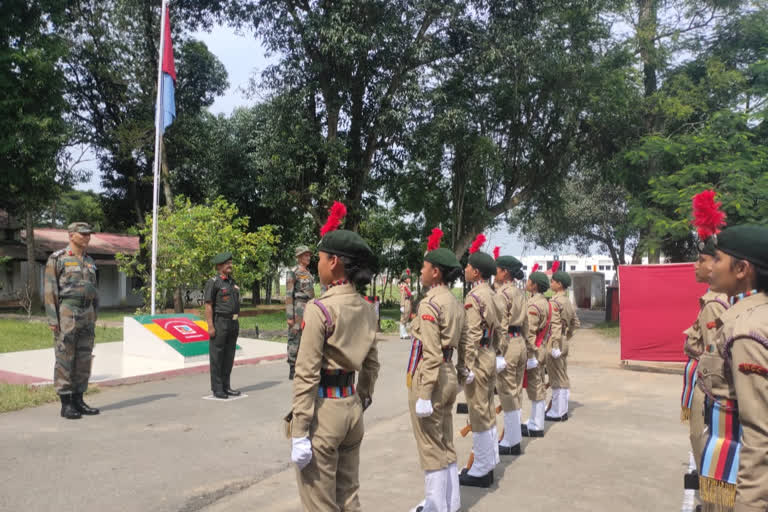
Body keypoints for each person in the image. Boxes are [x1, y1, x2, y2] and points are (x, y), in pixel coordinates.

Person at [287, 202, 380, 511]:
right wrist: (362, 399)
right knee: (349, 497)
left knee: (320, 503)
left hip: (324, 413)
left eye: (322, 258)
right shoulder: (367, 308)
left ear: (335, 262)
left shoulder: (320, 309)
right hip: (351, 407)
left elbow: (307, 372)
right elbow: (372, 364)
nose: (318, 265)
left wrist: (300, 429)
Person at [698, 223, 768, 512]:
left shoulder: (746, 330)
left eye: (717, 259)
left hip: (741, 477)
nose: (709, 266)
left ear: (742, 269)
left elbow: (760, 434)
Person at [406, 227, 464, 512]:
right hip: (448, 372)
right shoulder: (454, 302)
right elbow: (465, 344)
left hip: (433, 376)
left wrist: (425, 393)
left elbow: (430, 353)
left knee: (430, 447)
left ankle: (435, 506)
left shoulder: (430, 303)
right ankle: (451, 504)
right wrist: (462, 374)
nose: (421, 270)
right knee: (445, 442)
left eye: (425, 267)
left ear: (436, 273)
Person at [680, 238, 728, 492]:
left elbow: (713, 358)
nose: (695, 265)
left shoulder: (714, 304)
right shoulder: (714, 300)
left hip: (710, 390)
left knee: (704, 443)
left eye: (703, 260)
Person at [457, 234, 501, 488]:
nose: (466, 269)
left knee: (479, 412)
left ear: (476, 272)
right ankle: (489, 461)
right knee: (486, 409)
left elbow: (472, 334)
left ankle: (481, 470)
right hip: (490, 354)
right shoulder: (493, 294)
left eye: (469, 266)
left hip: (479, 359)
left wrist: (466, 366)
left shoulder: (475, 297)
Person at [44, 222, 100, 419]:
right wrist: (53, 318)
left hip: (87, 312)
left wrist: (95, 313)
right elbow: (50, 290)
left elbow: (95, 289)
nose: (87, 237)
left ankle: (79, 399)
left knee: (84, 357)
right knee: (65, 357)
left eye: (88, 234)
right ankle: (66, 403)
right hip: (67, 311)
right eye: (83, 234)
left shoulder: (90, 261)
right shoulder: (57, 258)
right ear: (71, 235)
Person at [493, 254, 528, 455]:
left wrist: (498, 351)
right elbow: (527, 324)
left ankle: (510, 441)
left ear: (504, 271)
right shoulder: (519, 292)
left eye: (498, 269)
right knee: (515, 392)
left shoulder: (502, 294)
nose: (495, 272)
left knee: (507, 393)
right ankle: (513, 437)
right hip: (520, 343)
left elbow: (501, 325)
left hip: (508, 346)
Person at [204, 252, 241, 399]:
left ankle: (226, 386)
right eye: (227, 263)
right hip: (220, 322)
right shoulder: (213, 282)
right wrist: (210, 326)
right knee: (217, 356)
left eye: (230, 262)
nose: (230, 265)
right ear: (219, 266)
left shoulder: (231, 282)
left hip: (233, 322)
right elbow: (208, 305)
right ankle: (217, 388)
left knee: (229, 356)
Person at [546, 265, 580, 422]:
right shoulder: (568, 301)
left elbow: (555, 324)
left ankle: (558, 411)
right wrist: (568, 336)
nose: (550, 283)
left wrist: (554, 344)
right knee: (562, 374)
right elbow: (576, 323)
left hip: (556, 341)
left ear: (559, 284)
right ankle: (562, 410)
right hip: (563, 340)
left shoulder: (554, 302)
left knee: (556, 377)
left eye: (552, 281)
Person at [521, 270, 552, 438]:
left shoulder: (533, 305)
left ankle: (536, 424)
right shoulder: (545, 303)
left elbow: (530, 332)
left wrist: (530, 356)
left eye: (529, 281)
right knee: (538, 385)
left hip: (535, 350)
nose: (527, 283)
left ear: (534, 285)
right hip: (542, 348)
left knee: (535, 388)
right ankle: (535, 420)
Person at [286, 245, 315, 380]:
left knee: (307, 337)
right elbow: (288, 295)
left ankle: (304, 366)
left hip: (309, 307)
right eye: (305, 255)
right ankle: (293, 366)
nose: (308, 257)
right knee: (295, 337)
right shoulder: (293, 272)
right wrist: (289, 316)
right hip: (298, 308)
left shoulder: (309, 273)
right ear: (298, 257)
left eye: (309, 255)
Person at [400, 270, 414, 339]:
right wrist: (402, 305)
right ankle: (403, 334)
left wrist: (412, 294)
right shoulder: (404, 286)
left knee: (406, 318)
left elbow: (409, 294)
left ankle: (403, 333)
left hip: (408, 302)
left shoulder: (407, 286)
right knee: (404, 318)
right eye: (408, 278)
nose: (410, 279)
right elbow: (402, 296)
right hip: (405, 302)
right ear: (405, 279)